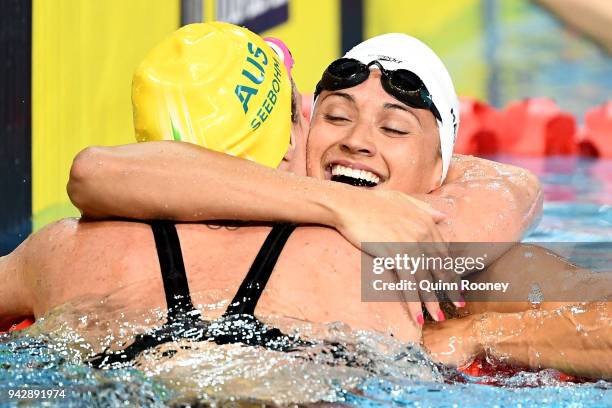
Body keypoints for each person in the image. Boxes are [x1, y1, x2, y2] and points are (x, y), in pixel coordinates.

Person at [2, 26, 607, 378]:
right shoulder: (390, 266)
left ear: (438, 174)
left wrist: (479, 336)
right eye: (335, 116)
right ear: (297, 135)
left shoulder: (66, 245)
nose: (356, 140)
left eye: (395, 131)